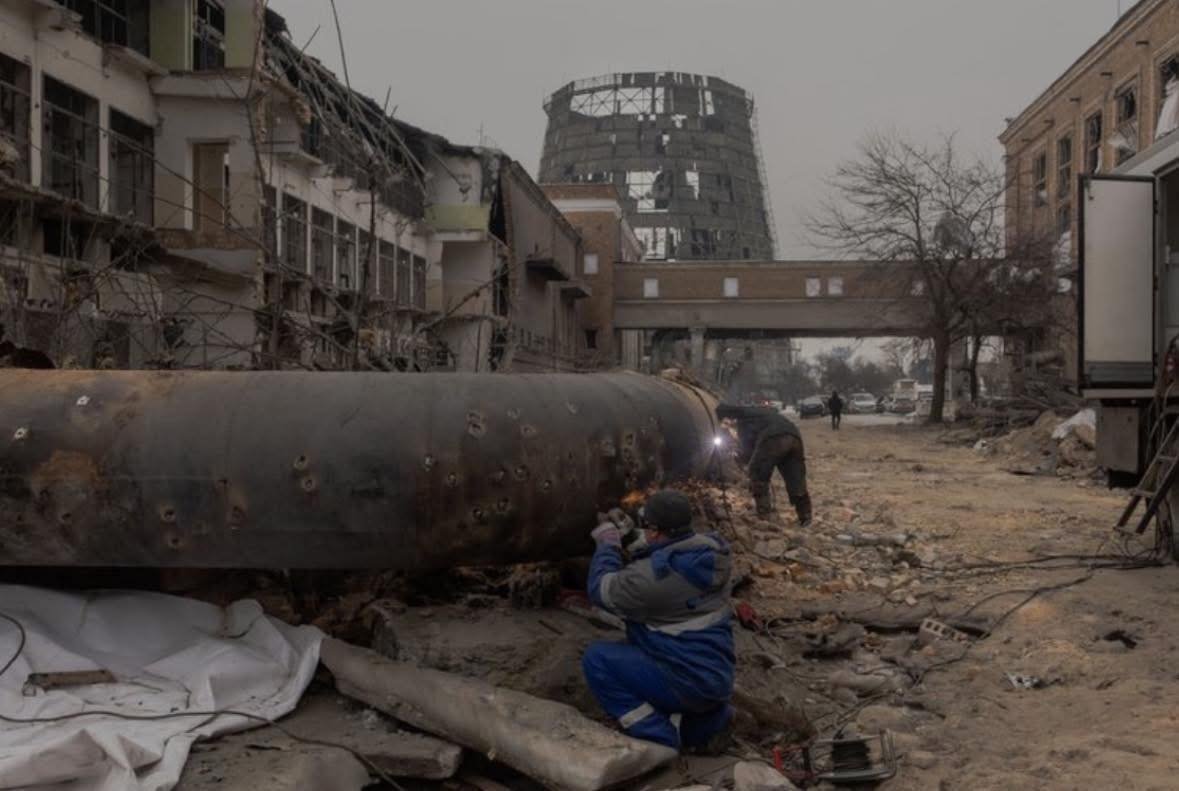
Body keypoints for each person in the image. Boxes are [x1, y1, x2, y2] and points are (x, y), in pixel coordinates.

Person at [582, 490, 734, 752]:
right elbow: (668, 554)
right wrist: (631, 537)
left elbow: (602, 590)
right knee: (657, 642)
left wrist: (608, 546)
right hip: (717, 677)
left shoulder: (653, 581)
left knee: (597, 659)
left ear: (654, 530)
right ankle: (704, 728)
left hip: (685, 680)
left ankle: (658, 736)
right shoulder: (712, 552)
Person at [716, 403, 813, 526]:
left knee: (758, 475)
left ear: (729, 417)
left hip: (773, 438)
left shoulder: (743, 420)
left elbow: (747, 450)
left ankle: (764, 515)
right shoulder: (756, 411)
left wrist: (737, 456)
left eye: (726, 424)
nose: (728, 428)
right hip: (794, 437)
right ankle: (805, 516)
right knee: (795, 477)